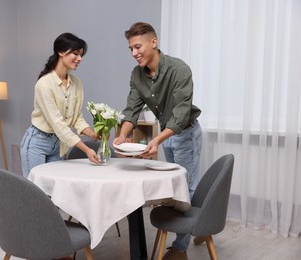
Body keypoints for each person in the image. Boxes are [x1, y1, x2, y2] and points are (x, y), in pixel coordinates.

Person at [113, 22, 202, 260]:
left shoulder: (179, 70)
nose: (134, 53)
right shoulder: (136, 75)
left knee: (186, 188)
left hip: (186, 133)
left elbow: (181, 115)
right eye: (130, 49)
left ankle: (181, 248)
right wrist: (122, 134)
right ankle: (196, 227)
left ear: (154, 42)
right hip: (168, 136)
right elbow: (132, 109)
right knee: (174, 188)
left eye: (138, 46)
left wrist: (157, 141)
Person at [21, 32, 101, 179]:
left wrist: (93, 134)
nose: (80, 59)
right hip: (37, 143)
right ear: (61, 52)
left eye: (81, 54)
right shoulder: (44, 84)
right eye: (75, 54)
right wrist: (87, 149)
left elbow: (76, 116)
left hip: (59, 144)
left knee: (54, 189)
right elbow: (59, 124)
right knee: (35, 190)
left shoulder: (77, 83)